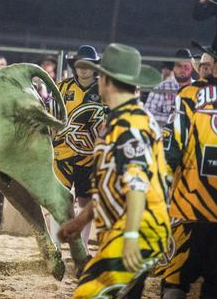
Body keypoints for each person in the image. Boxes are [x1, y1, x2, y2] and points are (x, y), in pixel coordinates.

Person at [57, 43, 170, 299]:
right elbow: (113, 184)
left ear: (106, 80)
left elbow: (137, 183)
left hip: (137, 230)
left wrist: (130, 236)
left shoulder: (129, 124)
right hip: (133, 229)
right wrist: (80, 221)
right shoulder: (124, 119)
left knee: (88, 292)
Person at [157, 26, 217, 299]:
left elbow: (171, 152)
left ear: (214, 62)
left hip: (191, 207)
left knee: (176, 281)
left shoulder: (190, 96)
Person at [48, 46, 106, 249]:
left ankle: (81, 248)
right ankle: (54, 246)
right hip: (62, 154)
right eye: (80, 65)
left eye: (87, 65)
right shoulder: (62, 87)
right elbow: (50, 117)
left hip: (90, 158)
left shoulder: (104, 89)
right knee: (58, 201)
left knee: (84, 203)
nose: (83, 69)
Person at [144, 48, 193, 127]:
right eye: (179, 66)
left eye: (186, 66)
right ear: (173, 68)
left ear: (192, 67)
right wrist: (174, 118)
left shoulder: (199, 88)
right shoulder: (161, 88)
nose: (182, 70)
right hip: (166, 136)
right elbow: (148, 113)